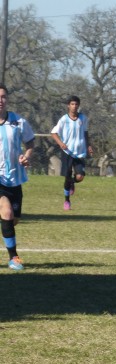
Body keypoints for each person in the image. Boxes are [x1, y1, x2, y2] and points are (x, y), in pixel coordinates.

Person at [0, 84, 35, 271]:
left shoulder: (18, 121)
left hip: (14, 179)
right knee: (6, 212)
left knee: (12, 220)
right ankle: (14, 258)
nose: (0, 100)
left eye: (3, 96)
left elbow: (30, 142)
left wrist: (26, 157)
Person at [51, 95, 92, 211]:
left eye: (76, 104)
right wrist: (60, 143)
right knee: (67, 176)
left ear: (79, 106)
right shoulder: (64, 119)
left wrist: (88, 145)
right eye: (72, 104)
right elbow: (54, 133)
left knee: (80, 176)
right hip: (67, 152)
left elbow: (85, 133)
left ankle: (72, 183)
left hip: (80, 152)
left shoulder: (83, 119)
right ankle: (67, 200)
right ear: (68, 106)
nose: (74, 106)